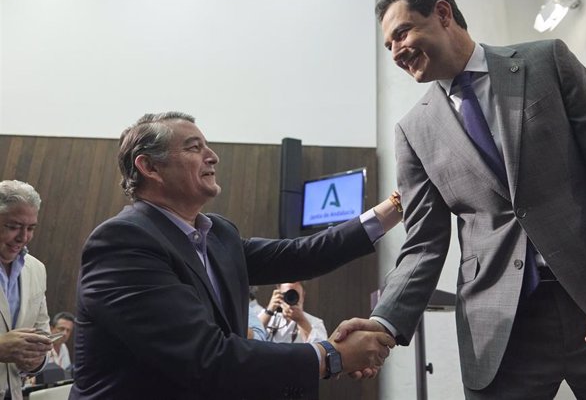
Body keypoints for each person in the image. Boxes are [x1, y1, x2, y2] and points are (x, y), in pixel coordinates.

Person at [336, 0, 586, 399]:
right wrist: (385, 322)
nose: (395, 51)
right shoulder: (413, 131)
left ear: (443, 14)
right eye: (388, 45)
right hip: (501, 329)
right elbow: (424, 245)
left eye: (402, 33)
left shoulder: (547, 61)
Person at [70, 112, 401, 400]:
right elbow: (205, 356)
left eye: (207, 146)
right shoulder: (122, 243)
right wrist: (333, 355)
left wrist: (393, 210)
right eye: (193, 147)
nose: (212, 156)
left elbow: (301, 255)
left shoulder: (218, 234)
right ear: (149, 166)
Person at [0, 180, 53, 399]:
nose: (23, 238)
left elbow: (43, 334)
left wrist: (36, 360)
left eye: (30, 228)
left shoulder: (37, 269)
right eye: (13, 227)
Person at [260, 282, 327, 343]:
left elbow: (321, 350)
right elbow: (252, 335)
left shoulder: (315, 323)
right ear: (278, 293)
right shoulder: (267, 315)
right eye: (286, 294)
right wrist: (269, 310)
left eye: (295, 294)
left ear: (303, 296)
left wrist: (301, 321)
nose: (290, 298)